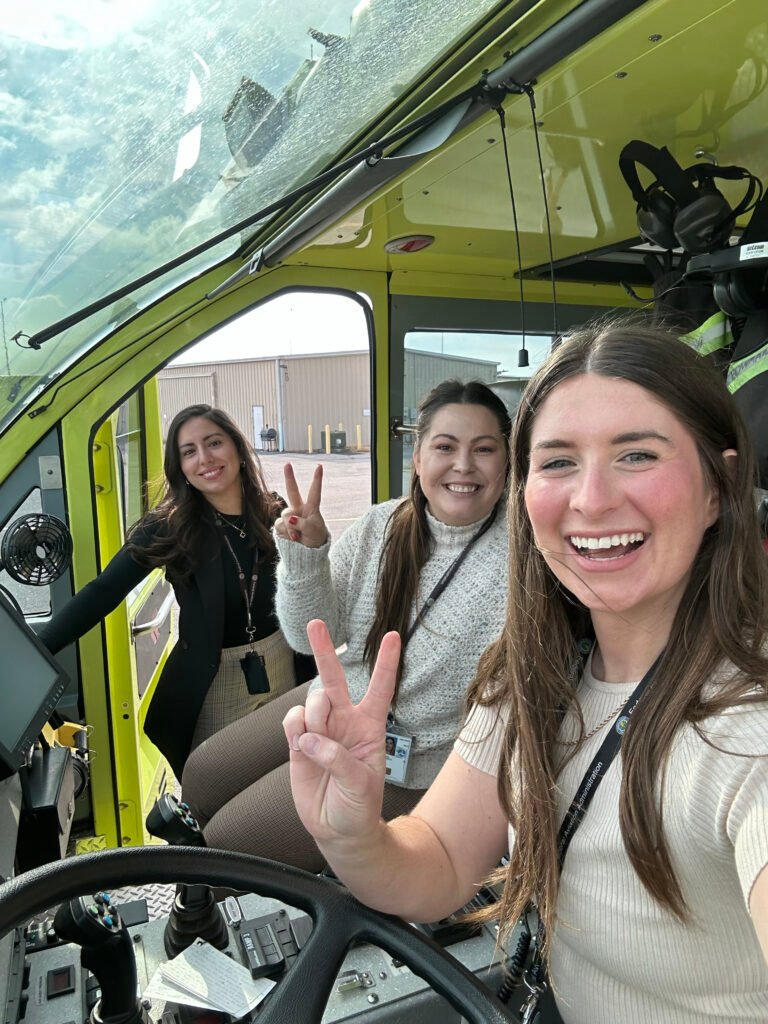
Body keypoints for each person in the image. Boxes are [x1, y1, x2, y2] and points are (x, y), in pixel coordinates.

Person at [283, 320, 768, 1023]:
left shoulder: (748, 725)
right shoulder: (534, 670)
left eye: (636, 454)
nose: (592, 499)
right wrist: (354, 834)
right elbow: (443, 860)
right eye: (559, 461)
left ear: (718, 488)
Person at [181, 379, 511, 870]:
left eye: (483, 449)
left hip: (411, 766)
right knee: (203, 774)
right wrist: (306, 556)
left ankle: (209, 909)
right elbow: (309, 635)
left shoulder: (519, 560)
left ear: (508, 463)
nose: (463, 465)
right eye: (445, 447)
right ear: (418, 457)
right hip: (338, 697)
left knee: (228, 845)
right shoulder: (382, 525)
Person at [39, 404, 305, 779]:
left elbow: (310, 591)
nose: (205, 459)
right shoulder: (169, 527)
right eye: (189, 451)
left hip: (283, 667)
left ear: (238, 451)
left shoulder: (273, 512)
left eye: (214, 443)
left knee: (284, 780)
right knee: (215, 791)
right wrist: (34, 652)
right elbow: (102, 592)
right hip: (215, 681)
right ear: (179, 466)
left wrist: (315, 544)